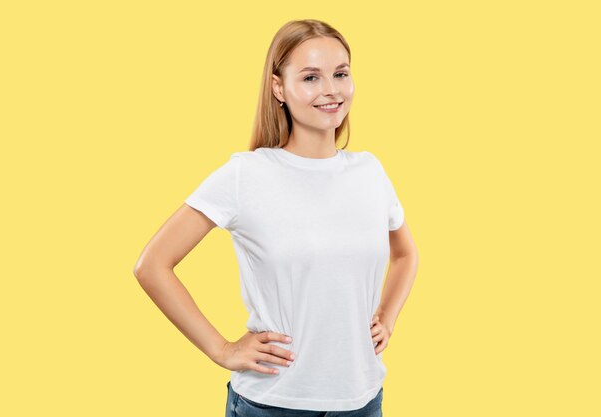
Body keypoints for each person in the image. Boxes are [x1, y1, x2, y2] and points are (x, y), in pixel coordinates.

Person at [133, 18, 419, 416]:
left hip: (363, 401)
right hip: (273, 404)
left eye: (340, 73)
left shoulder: (370, 172)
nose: (331, 90)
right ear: (278, 88)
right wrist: (222, 349)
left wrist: (386, 317)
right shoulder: (246, 175)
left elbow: (405, 255)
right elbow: (152, 265)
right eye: (310, 78)